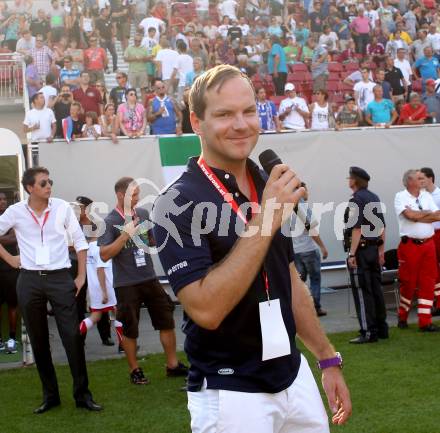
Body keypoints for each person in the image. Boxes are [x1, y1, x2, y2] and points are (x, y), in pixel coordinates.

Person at [152, 64, 351, 432]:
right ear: (197, 122)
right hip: (230, 390)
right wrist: (266, 219)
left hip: (293, 375)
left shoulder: (264, 180)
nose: (241, 124)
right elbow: (206, 309)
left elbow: (288, 278)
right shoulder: (173, 203)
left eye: (248, 110)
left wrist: (326, 358)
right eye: (225, 114)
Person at [0, 167, 102, 413]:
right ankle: (51, 396)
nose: (49, 186)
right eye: (43, 183)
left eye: (50, 181)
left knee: (72, 336)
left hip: (60, 278)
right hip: (29, 280)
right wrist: (10, 259)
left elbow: (79, 240)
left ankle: (82, 395)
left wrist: (80, 276)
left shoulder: (61, 207)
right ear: (30, 188)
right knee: (38, 340)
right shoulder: (15, 212)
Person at [98, 176, 188, 385]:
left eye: (138, 193)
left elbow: (152, 241)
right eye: (134, 194)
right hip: (126, 283)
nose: (138, 198)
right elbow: (104, 255)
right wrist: (125, 235)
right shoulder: (110, 221)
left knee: (166, 319)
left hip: (149, 277)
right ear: (121, 195)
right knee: (130, 327)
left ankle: (172, 365)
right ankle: (135, 370)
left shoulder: (143, 213)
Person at [344, 167, 388, 344]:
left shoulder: (356, 200)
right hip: (373, 250)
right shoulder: (374, 197)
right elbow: (382, 228)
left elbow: (356, 228)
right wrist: (381, 251)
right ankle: (382, 328)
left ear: (354, 181)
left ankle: (368, 332)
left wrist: (352, 253)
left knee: (362, 292)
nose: (348, 180)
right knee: (376, 290)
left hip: (361, 251)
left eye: (349, 178)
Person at [394, 169, 440, 332]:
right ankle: (402, 315)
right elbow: (409, 216)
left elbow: (437, 215)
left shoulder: (426, 196)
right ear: (409, 182)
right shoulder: (401, 196)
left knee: (429, 281)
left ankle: (425, 321)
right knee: (409, 282)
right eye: (418, 178)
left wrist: (419, 214)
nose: (422, 180)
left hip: (428, 245)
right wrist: (425, 214)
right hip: (410, 246)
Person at [291, 187, 328, 316]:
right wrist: (322, 247)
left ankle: (300, 308)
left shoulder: (288, 209)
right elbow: (312, 230)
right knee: (315, 279)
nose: (307, 192)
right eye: (305, 190)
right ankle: (315, 308)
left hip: (296, 251)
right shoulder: (303, 207)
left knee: (300, 282)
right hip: (309, 250)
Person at [418, 168, 440, 314]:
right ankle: (437, 303)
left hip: (438, 234)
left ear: (430, 178)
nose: (419, 181)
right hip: (428, 235)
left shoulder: (438, 195)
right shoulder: (422, 196)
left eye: (422, 178)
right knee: (432, 271)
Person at [0, 192, 18, 354]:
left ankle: (12, 338)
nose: (3, 201)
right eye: (0, 199)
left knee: (13, 304)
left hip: (10, 268)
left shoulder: (12, 216)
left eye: (5, 199)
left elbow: (15, 238)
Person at [124, 34, 150, 100]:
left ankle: (143, 107)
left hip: (142, 70)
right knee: (131, 90)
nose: (137, 42)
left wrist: (142, 58)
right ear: (133, 40)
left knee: (143, 89)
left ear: (141, 41)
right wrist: (134, 58)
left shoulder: (144, 48)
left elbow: (148, 59)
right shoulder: (129, 48)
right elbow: (125, 59)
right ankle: (132, 104)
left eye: (139, 41)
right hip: (132, 71)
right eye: (136, 40)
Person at [95, 7, 118, 73]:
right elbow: (97, 30)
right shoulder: (98, 20)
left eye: (107, 11)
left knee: (114, 54)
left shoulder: (109, 19)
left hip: (110, 39)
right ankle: (106, 68)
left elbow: (112, 29)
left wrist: (113, 37)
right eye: (105, 11)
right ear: (102, 12)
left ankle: (115, 68)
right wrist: (100, 38)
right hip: (103, 40)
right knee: (104, 55)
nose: (107, 12)